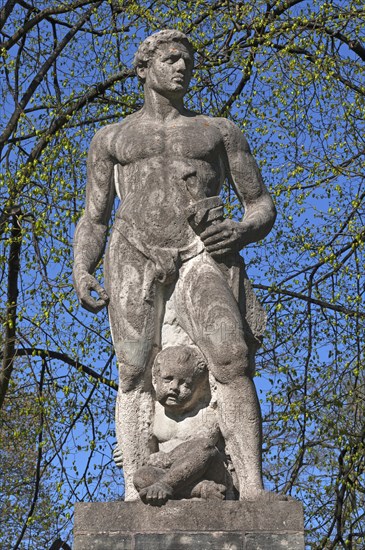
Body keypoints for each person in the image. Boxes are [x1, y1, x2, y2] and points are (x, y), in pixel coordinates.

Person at [73, 29, 277, 501]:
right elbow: (94, 217)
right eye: (170, 59)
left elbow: (261, 204)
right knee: (134, 369)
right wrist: (82, 267)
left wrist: (243, 230)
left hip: (200, 251)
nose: (182, 67)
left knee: (231, 357)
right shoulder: (112, 138)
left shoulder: (217, 131)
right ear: (144, 68)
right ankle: (133, 492)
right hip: (132, 250)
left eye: (187, 60)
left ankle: (251, 487)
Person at [133, 345, 232, 505]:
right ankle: (199, 489)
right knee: (141, 476)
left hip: (209, 470)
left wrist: (167, 458)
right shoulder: (152, 413)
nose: (174, 387)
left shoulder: (208, 411)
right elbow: (146, 454)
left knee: (204, 447)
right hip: (167, 474)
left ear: (198, 387)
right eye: (168, 379)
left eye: (185, 383)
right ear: (155, 379)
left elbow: (208, 449)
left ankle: (167, 485)